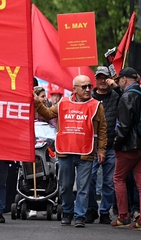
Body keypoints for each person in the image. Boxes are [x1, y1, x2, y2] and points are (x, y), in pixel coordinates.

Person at [34, 74, 107, 228]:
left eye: (89, 86)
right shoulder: (63, 103)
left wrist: (101, 150)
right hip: (65, 151)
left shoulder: (96, 105)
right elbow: (47, 114)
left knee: (83, 188)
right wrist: (36, 103)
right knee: (65, 186)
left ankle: (79, 216)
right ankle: (67, 213)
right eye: (84, 87)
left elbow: (102, 130)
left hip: (85, 153)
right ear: (74, 89)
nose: (88, 89)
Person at [111, 67, 141, 231]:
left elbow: (124, 125)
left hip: (129, 147)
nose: (119, 83)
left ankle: (123, 216)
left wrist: (116, 145)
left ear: (124, 79)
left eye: (119, 80)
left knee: (118, 178)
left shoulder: (127, 96)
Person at [84, 66, 120, 225]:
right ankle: (92, 209)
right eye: (99, 77)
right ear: (95, 80)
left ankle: (105, 211)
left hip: (111, 145)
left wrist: (117, 87)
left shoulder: (117, 96)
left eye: (105, 77)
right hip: (91, 145)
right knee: (89, 179)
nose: (102, 80)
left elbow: (130, 98)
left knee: (109, 181)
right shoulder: (88, 97)